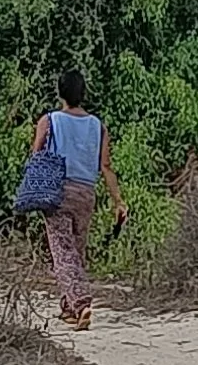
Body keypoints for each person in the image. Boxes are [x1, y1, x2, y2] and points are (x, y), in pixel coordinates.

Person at [27, 68, 126, 330]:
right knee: (76, 251)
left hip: (58, 192)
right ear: (83, 93)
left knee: (62, 252)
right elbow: (105, 166)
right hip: (86, 193)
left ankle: (81, 303)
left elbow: (36, 155)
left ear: (60, 92)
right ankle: (69, 308)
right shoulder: (98, 126)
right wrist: (118, 201)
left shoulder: (49, 121)